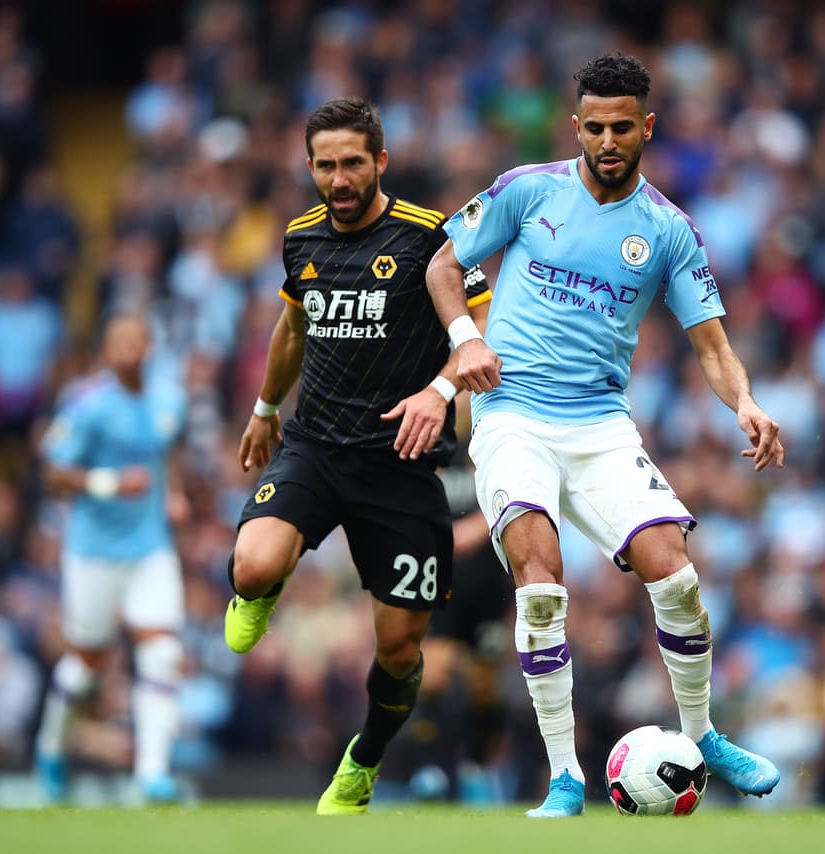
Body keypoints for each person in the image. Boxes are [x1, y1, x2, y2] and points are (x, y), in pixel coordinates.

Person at [425, 52, 787, 818]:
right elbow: (441, 266)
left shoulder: (668, 231)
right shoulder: (528, 192)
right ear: (576, 126)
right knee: (541, 577)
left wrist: (746, 404)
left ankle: (704, 736)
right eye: (595, 127)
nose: (609, 140)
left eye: (623, 126)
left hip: (598, 423)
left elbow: (713, 346)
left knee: (675, 572)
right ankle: (564, 776)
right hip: (513, 415)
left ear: (647, 126)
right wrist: (466, 337)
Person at [224, 97, 491, 815]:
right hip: (315, 447)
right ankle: (264, 586)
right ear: (309, 167)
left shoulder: (427, 236)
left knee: (401, 650)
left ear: (380, 162)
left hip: (402, 465)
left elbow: (481, 321)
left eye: (351, 164)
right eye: (324, 165)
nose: (337, 179)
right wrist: (264, 409)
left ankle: (363, 761)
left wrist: (439, 389)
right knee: (251, 565)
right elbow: (291, 327)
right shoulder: (301, 239)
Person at [34, 313, 189, 804]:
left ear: (149, 347)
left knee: (162, 653)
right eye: (119, 341)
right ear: (105, 349)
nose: (129, 349)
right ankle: (51, 746)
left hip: (150, 548)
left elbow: (169, 451)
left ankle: (151, 775)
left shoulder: (169, 398)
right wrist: (109, 483)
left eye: (137, 340)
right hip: (93, 551)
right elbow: (53, 476)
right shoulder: (86, 404)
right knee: (88, 663)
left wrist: (175, 493)